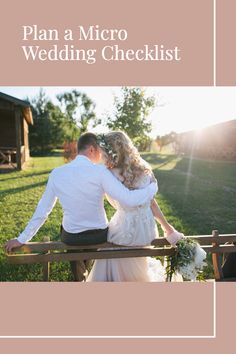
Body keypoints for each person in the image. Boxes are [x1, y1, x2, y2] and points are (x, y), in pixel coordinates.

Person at [4, 132, 157, 281]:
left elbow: (43, 210)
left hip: (72, 238)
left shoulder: (57, 174)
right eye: (100, 150)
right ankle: (84, 272)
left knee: (68, 229)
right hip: (99, 235)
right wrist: (152, 188)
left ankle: (79, 278)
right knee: (89, 235)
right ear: (92, 149)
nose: (102, 155)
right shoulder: (101, 172)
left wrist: (22, 238)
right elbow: (129, 199)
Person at [87, 131, 184, 282]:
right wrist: (167, 228)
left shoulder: (109, 173)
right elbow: (152, 203)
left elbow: (113, 203)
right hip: (145, 230)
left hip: (123, 230)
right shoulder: (145, 169)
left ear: (110, 151)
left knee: (108, 253)